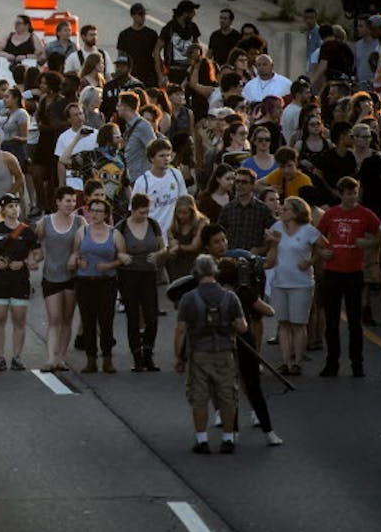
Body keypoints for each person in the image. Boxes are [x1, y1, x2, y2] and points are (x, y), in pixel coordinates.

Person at [173, 254, 249, 454]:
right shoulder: (230, 297)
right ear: (215, 272)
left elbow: (181, 330)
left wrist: (178, 358)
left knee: (199, 397)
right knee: (226, 395)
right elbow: (242, 327)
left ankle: (202, 440)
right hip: (224, 353)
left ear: (196, 273)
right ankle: (228, 438)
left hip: (199, 353)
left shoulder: (189, 298)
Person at [217, 257, 284, 447]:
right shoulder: (244, 292)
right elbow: (269, 311)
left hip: (224, 344)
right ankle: (269, 432)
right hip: (246, 343)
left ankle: (232, 432)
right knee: (254, 387)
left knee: (230, 388)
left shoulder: (216, 294)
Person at [315, 177, 377, 377]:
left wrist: (367, 244)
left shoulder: (365, 214)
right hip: (333, 271)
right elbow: (316, 236)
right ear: (341, 194)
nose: (352, 197)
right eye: (348, 193)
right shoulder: (332, 214)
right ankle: (332, 362)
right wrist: (322, 251)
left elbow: (380, 236)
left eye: (354, 193)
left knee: (354, 321)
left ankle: (356, 363)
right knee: (332, 320)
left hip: (354, 273)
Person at [264, 196, 326, 376]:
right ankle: (286, 361)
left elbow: (323, 247)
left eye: (286, 209)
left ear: (297, 213)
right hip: (280, 281)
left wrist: (310, 261)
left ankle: (297, 361)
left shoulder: (309, 231)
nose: (281, 211)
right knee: (283, 323)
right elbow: (271, 254)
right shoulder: (276, 228)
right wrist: (272, 244)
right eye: (282, 208)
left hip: (301, 282)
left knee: (299, 324)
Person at [69, 197, 130, 373]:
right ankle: (91, 359)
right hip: (85, 282)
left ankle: (107, 359)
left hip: (106, 282)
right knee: (88, 321)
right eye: (92, 210)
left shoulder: (114, 234)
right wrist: (77, 261)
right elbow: (74, 254)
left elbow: (122, 257)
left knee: (106, 320)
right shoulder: (83, 232)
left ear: (106, 214)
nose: (95, 214)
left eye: (99, 211)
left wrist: (109, 266)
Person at [0, 194, 39, 371]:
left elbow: (37, 253)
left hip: (20, 280)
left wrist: (24, 262)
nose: (14, 210)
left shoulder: (27, 231)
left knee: (19, 320)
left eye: (16, 206)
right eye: (10, 206)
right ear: (3, 210)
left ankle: (17, 357)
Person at [118, 192, 167, 372]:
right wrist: (121, 256)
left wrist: (158, 254)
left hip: (148, 274)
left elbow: (163, 248)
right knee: (132, 315)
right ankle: (137, 356)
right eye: (141, 212)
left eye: (146, 212)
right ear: (133, 209)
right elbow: (116, 249)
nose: (144, 216)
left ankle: (148, 352)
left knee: (151, 316)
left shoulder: (153, 225)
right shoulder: (122, 226)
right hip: (129, 274)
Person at [36, 186, 84, 371]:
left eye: (73, 201)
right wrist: (34, 257)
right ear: (57, 202)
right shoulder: (45, 222)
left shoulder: (80, 222)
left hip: (71, 277)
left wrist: (76, 254)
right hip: (51, 275)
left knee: (67, 318)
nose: (70, 204)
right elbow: (35, 244)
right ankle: (50, 358)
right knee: (54, 318)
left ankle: (61, 357)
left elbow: (86, 244)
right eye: (67, 201)